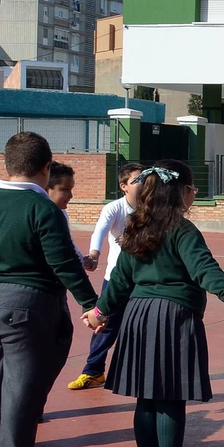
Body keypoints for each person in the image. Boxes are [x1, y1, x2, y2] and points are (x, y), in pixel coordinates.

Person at [82, 161, 224, 447]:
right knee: (170, 400)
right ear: (181, 192)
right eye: (193, 188)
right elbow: (203, 268)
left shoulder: (135, 229)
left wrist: (99, 312)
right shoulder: (183, 231)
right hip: (174, 317)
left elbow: (119, 281)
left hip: (139, 317)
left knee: (146, 399)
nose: (195, 194)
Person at [0, 132, 98, 447]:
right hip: (25, 302)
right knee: (23, 385)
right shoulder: (42, 208)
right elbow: (63, 262)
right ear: (46, 167)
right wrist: (92, 303)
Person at [69, 162, 143, 390]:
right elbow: (100, 230)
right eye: (138, 180)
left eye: (146, 179)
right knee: (106, 326)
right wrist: (94, 253)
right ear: (123, 186)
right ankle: (93, 371)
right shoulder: (114, 209)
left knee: (141, 327)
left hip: (144, 281)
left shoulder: (152, 209)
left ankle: (140, 373)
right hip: (116, 279)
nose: (144, 183)